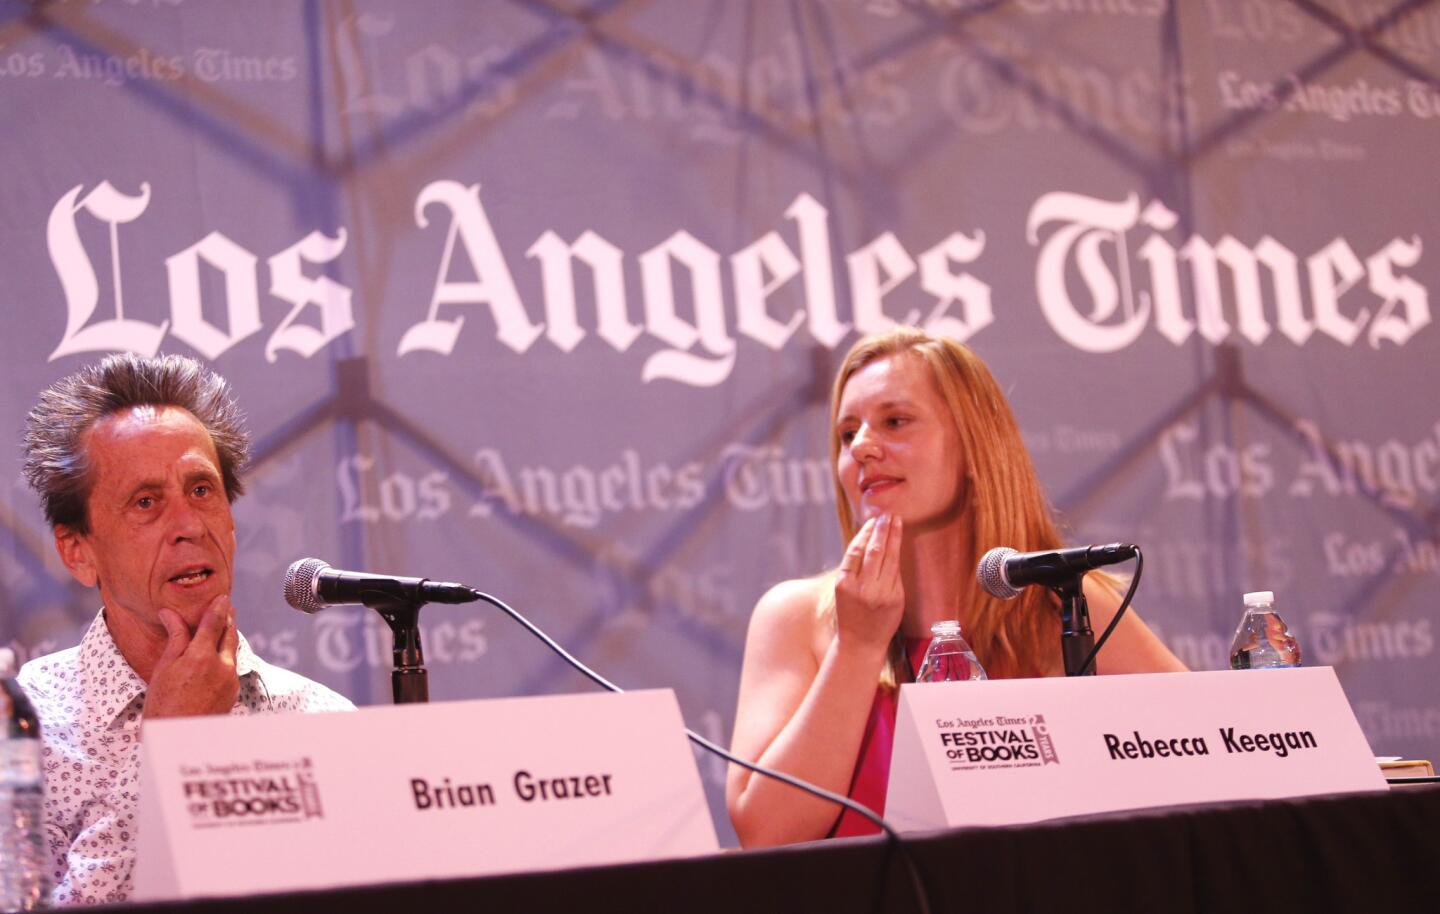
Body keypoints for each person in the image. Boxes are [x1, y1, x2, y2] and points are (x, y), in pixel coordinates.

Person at [725, 327, 1186, 848]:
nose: (863, 449)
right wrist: (857, 645)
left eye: (895, 422)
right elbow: (764, 831)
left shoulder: (1066, 603)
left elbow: (1211, 760)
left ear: (974, 445)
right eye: (847, 434)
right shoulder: (797, 617)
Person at [16, 353, 354, 905]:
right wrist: (165, 754)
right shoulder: (23, 729)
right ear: (77, 551)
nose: (189, 526)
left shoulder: (324, 722)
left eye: (201, 491)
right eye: (146, 502)